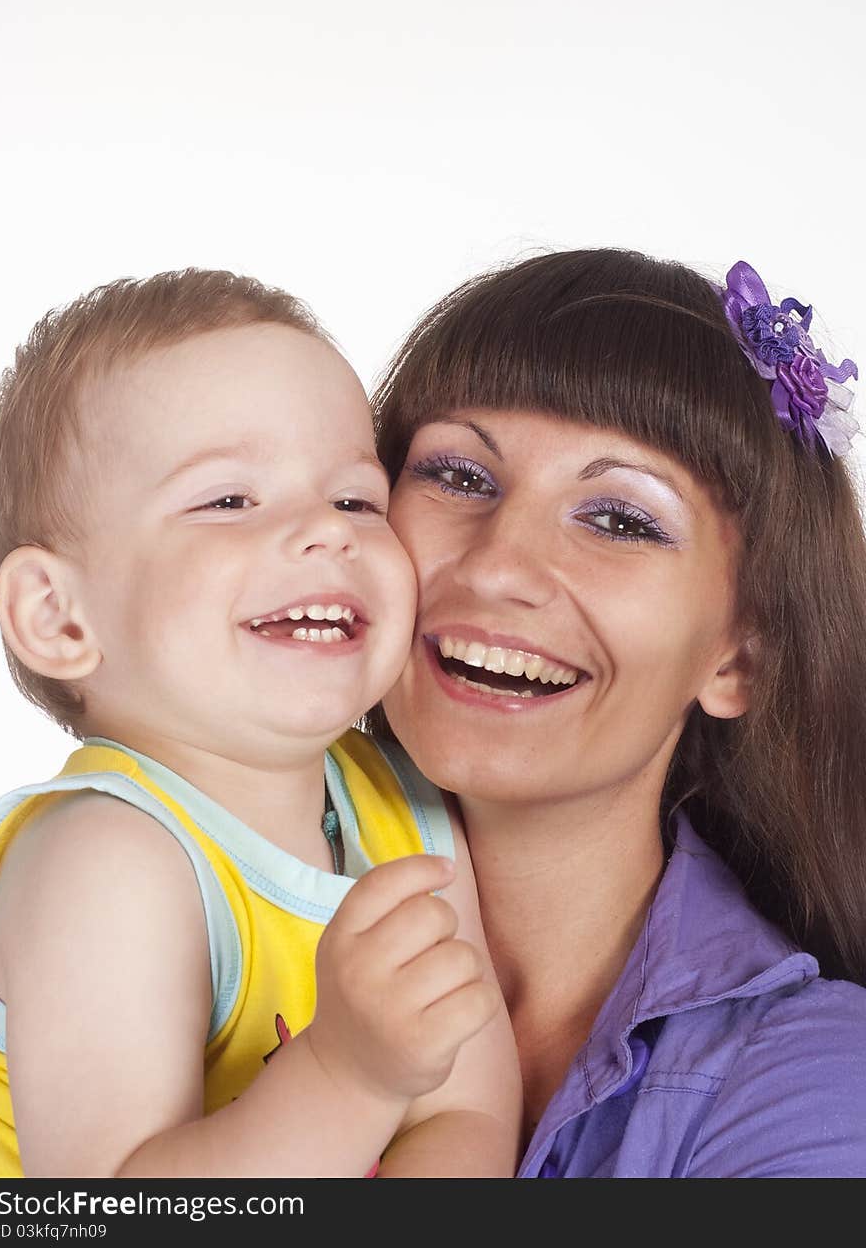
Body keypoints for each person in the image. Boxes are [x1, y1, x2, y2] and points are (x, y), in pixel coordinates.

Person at [0, 269, 522, 1179]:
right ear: (60, 617)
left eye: (356, 498)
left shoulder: (401, 806)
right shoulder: (105, 860)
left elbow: (469, 1108)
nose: (327, 532)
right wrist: (347, 1075)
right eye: (229, 499)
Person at [367, 247, 866, 1177]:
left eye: (621, 520)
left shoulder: (816, 1089)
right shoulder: (163, 906)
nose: (496, 566)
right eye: (461, 477)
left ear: (738, 658)